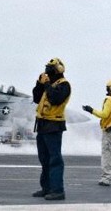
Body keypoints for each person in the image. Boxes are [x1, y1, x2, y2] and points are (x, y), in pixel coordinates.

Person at [32, 58, 71, 200]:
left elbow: (55, 99)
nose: (47, 71)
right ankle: (46, 188)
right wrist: (39, 84)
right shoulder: (50, 84)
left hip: (54, 125)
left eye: (50, 69)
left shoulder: (64, 85)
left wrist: (47, 84)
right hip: (42, 124)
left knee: (54, 159)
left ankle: (58, 190)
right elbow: (37, 98)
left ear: (58, 70)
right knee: (44, 159)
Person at [82, 79, 111, 186]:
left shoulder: (110, 100)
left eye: (108, 87)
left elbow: (104, 114)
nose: (107, 90)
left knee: (108, 154)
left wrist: (91, 110)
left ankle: (106, 178)